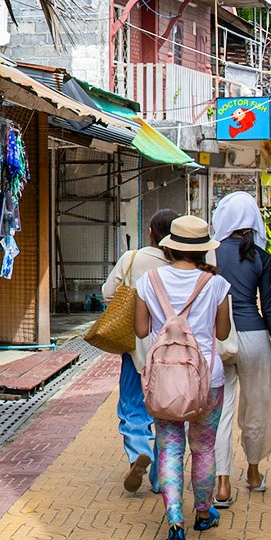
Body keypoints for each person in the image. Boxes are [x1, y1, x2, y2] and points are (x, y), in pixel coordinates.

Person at [133, 215, 233, 540]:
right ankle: (203, 514)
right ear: (204, 249)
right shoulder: (216, 284)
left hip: (165, 381)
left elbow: (141, 330)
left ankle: (175, 519)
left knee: (170, 446)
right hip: (207, 380)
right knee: (203, 446)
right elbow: (222, 333)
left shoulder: (149, 280)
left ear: (170, 246)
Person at [210, 192, 271, 506]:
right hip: (257, 339)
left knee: (221, 411)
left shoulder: (211, 255)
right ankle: (254, 473)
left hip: (219, 338)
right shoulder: (262, 257)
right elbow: (269, 309)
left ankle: (222, 485)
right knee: (256, 406)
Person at [101, 209, 178, 494]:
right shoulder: (181, 265)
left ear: (149, 232)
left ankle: (136, 455)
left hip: (136, 346)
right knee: (167, 414)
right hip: (172, 352)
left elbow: (109, 293)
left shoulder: (132, 259)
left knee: (133, 407)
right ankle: (161, 477)